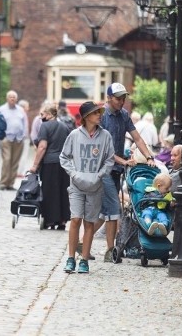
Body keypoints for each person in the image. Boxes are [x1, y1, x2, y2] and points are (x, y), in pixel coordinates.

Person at [95, 83, 156, 262]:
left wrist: (149, 156)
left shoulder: (124, 115)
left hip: (116, 169)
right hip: (102, 169)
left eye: (124, 98)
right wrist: (123, 161)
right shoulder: (102, 116)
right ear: (109, 98)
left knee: (102, 211)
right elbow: (102, 148)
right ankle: (110, 251)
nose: (122, 101)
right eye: (118, 98)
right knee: (113, 209)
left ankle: (83, 242)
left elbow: (137, 137)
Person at [60, 101, 115, 274]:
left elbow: (110, 159)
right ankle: (70, 258)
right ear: (86, 117)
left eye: (99, 112)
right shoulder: (74, 135)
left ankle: (84, 260)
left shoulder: (105, 136)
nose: (99, 115)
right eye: (95, 113)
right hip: (76, 185)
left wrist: (100, 175)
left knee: (89, 222)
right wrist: (74, 174)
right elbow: (64, 157)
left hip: (95, 186)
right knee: (75, 219)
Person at [29, 103, 70, 230]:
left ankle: (50, 220)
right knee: (63, 191)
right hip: (63, 163)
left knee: (49, 191)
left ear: (49, 114)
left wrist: (35, 166)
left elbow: (42, 147)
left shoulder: (45, 126)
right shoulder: (65, 127)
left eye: (42, 114)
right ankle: (63, 220)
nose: (41, 116)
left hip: (49, 162)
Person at [0, 90, 28, 190]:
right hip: (6, 138)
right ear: (7, 98)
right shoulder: (2, 109)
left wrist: (24, 135)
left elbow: (25, 123)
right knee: (7, 160)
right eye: (10, 97)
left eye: (14, 97)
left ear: (16, 99)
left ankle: (10, 183)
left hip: (18, 139)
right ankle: (3, 182)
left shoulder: (21, 110)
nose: (12, 98)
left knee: (15, 162)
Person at [17, 99, 33, 175]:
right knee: (23, 155)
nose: (28, 108)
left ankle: (19, 171)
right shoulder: (22, 114)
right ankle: (19, 172)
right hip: (23, 138)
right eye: (27, 106)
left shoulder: (19, 114)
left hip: (22, 138)